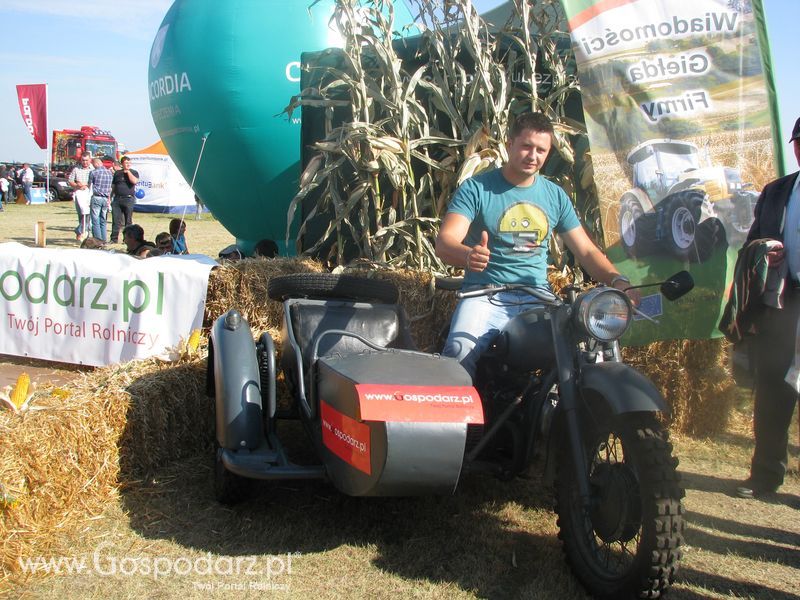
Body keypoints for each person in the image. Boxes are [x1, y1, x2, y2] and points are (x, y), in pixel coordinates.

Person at [435, 112, 639, 378]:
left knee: (585, 348)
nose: (533, 156)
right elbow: (445, 242)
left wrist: (617, 280)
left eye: (541, 150)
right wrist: (468, 255)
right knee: (458, 353)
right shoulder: (476, 189)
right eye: (526, 146)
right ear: (509, 145)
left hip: (538, 297)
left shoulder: (555, 196)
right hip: (485, 295)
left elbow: (587, 251)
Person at [735, 117, 800, 500]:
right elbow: (754, 239)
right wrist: (765, 250)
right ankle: (765, 475)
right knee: (773, 390)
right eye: (799, 141)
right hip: (783, 301)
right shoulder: (776, 191)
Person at [110, 156, 139, 243]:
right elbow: (114, 186)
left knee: (128, 221)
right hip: (117, 199)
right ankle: (114, 239)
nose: (128, 164)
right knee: (116, 220)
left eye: (129, 163)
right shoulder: (117, 173)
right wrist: (110, 197)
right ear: (122, 164)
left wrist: (128, 172)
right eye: (126, 163)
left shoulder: (134, 172)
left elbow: (134, 181)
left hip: (128, 199)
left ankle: (127, 239)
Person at [68, 154, 93, 240]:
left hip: (89, 194)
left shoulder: (93, 169)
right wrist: (77, 185)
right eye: (83, 160)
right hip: (79, 194)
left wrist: (86, 185)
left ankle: (82, 232)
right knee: (81, 214)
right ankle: (82, 232)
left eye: (86, 160)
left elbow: (94, 182)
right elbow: (70, 181)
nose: (85, 162)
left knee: (88, 214)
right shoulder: (76, 169)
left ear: (90, 160)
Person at [88, 158, 112, 241]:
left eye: (93, 164)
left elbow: (89, 185)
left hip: (96, 197)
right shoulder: (109, 173)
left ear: (96, 163)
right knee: (103, 220)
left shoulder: (94, 172)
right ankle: (104, 239)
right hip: (105, 199)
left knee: (95, 220)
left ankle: (97, 240)